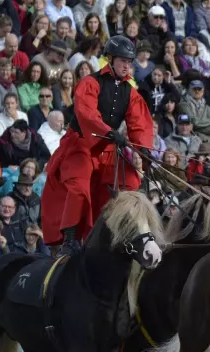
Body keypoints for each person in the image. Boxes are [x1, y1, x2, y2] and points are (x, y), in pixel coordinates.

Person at [42, 36, 152, 253]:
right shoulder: (90, 82)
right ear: (110, 59)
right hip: (80, 143)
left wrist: (144, 149)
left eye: (130, 62)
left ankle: (130, 236)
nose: (127, 66)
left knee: (131, 183)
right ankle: (70, 239)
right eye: (123, 61)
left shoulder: (130, 91)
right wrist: (109, 131)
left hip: (108, 148)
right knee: (79, 187)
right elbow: (86, 114)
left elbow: (139, 123)